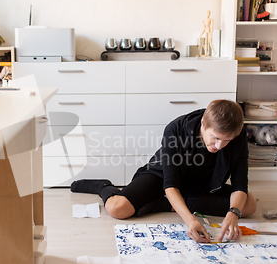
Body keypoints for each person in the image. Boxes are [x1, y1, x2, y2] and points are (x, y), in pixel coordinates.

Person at [70, 99, 257, 243]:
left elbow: (240, 183)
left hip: (201, 185)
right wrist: (190, 221)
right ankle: (101, 186)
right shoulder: (175, 129)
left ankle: (166, 205)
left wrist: (233, 214)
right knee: (116, 208)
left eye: (227, 141)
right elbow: (170, 184)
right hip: (162, 178)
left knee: (248, 205)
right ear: (204, 124)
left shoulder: (237, 135)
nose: (220, 145)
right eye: (216, 138)